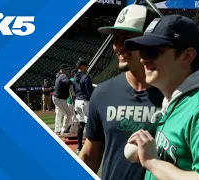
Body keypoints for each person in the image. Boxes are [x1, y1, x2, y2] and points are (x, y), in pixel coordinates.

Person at [124, 14, 199, 180]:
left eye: (152, 51)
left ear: (187, 56)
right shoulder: (175, 103)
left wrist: (153, 162)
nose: (143, 59)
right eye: (142, 51)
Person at [78, 4, 163, 180]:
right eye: (115, 38)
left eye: (126, 38)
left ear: (150, 41)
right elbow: (89, 155)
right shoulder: (102, 92)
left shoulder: (173, 95)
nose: (117, 46)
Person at [73, 58, 94, 153]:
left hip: (77, 101)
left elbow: (74, 89)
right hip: (85, 101)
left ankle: (79, 147)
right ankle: (90, 147)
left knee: (81, 124)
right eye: (86, 66)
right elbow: (90, 91)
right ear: (82, 66)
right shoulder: (86, 77)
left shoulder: (74, 77)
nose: (87, 68)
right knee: (90, 124)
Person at [53, 64, 73, 135]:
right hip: (59, 98)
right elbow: (68, 82)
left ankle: (57, 130)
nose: (68, 71)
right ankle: (64, 129)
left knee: (59, 113)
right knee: (68, 113)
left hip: (57, 97)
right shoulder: (63, 75)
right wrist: (75, 82)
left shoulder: (59, 75)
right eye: (67, 69)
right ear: (63, 70)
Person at [66, 69, 79, 136]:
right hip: (72, 100)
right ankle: (70, 129)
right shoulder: (73, 80)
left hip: (69, 100)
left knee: (70, 116)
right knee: (74, 116)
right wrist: (74, 100)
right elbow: (73, 92)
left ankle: (67, 128)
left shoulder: (70, 80)